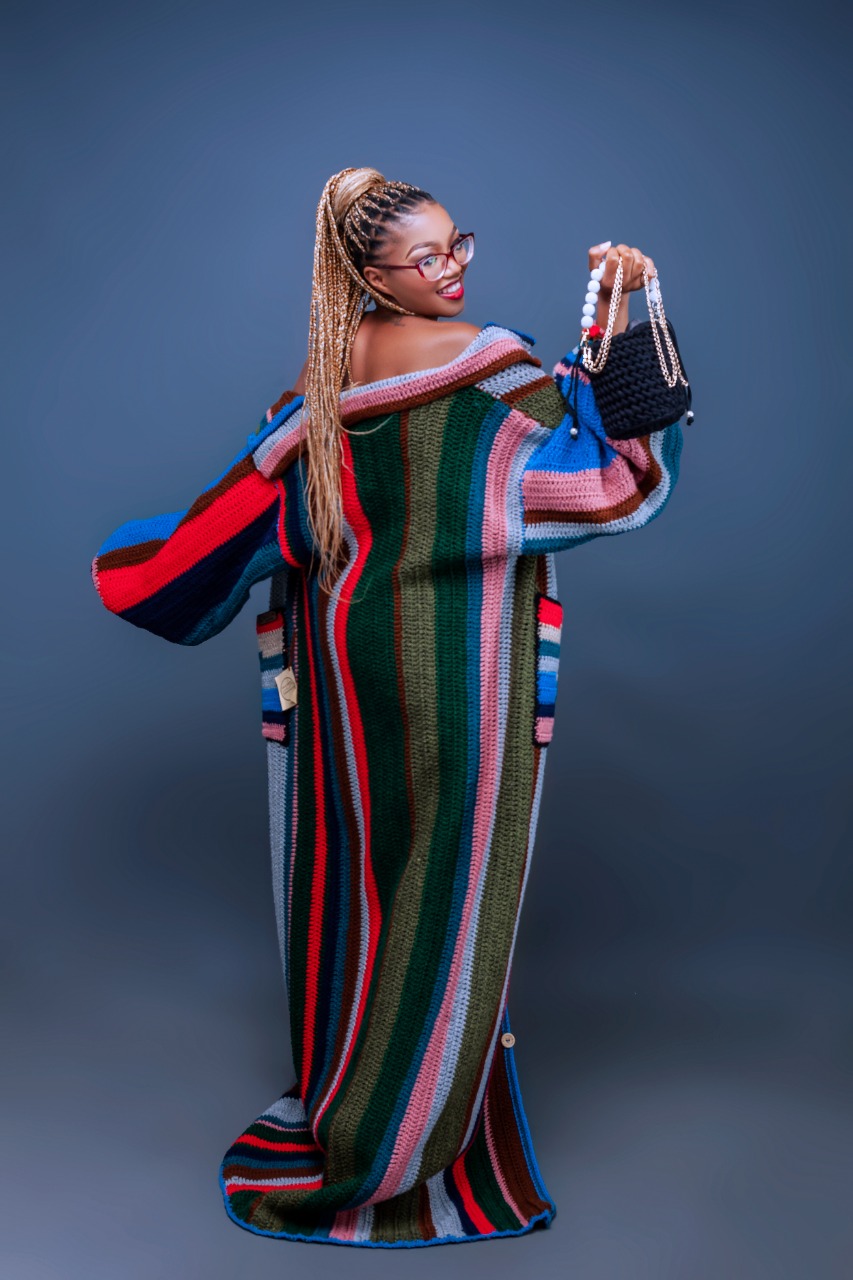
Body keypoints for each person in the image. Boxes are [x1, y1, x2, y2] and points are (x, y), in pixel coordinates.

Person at [90, 165, 684, 1248]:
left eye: (459, 245)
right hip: (457, 672)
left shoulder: (317, 389)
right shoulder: (485, 377)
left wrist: (134, 568)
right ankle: (395, 1149)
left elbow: (235, 531)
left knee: (358, 890)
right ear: (371, 274)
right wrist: (627, 316)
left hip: (343, 677)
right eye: (426, 256)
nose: (451, 269)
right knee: (445, 902)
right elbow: (610, 483)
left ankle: (348, 1096)